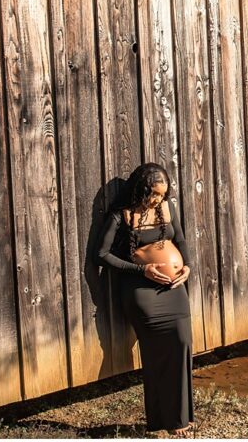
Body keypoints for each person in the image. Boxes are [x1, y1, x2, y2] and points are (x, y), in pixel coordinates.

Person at [96, 163, 194, 437]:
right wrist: (142, 270)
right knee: (156, 353)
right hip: (142, 291)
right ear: (141, 189)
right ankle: (164, 421)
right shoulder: (121, 216)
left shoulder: (166, 209)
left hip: (174, 288)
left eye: (162, 195)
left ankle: (182, 415)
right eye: (153, 194)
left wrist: (187, 267)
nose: (157, 200)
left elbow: (182, 242)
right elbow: (101, 255)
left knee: (182, 343)